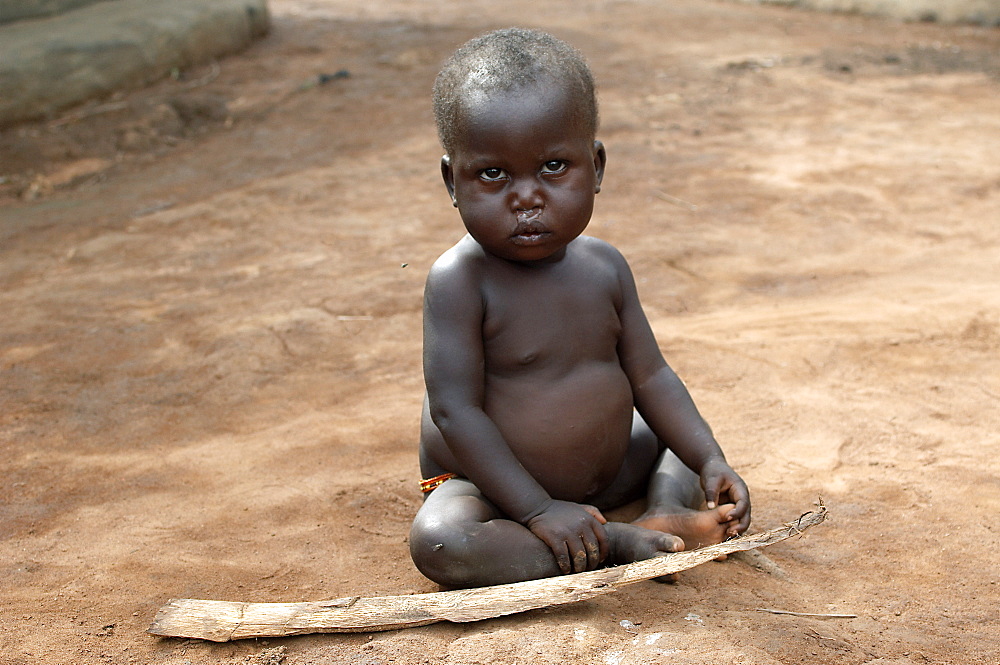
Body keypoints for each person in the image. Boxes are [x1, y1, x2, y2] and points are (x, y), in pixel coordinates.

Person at [409, 27, 750, 589]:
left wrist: (710, 457)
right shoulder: (458, 281)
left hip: (611, 471)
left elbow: (652, 375)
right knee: (441, 541)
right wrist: (538, 510)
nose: (526, 197)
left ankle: (663, 514)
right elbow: (455, 413)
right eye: (493, 173)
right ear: (452, 180)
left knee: (676, 439)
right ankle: (616, 544)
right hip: (493, 492)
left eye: (553, 167)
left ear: (595, 167)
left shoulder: (604, 268)